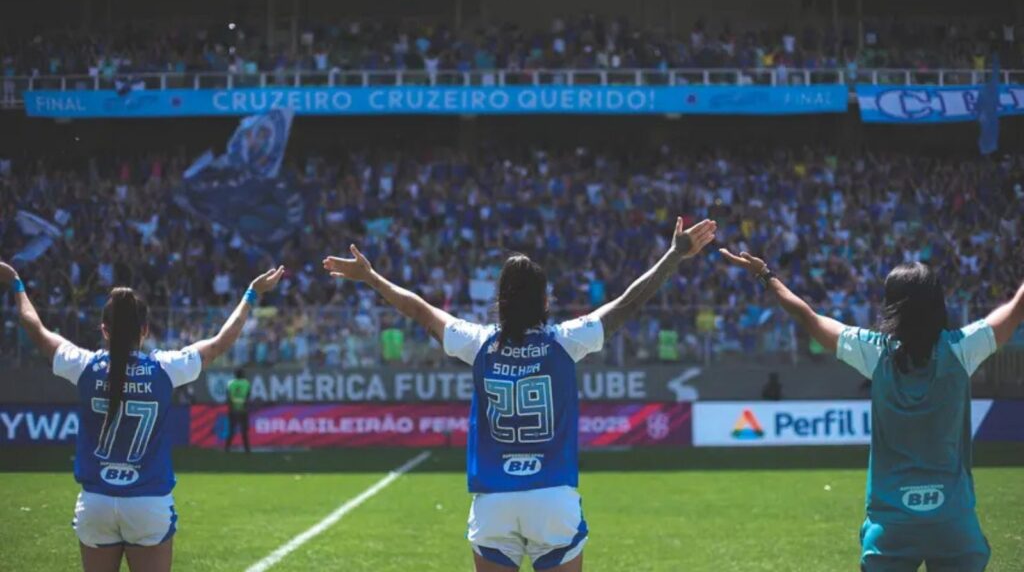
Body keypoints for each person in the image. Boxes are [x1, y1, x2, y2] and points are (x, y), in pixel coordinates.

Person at [324, 217, 717, 572]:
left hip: (494, 500)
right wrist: (673, 256)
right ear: (545, 302)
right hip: (552, 499)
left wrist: (372, 278)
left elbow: (421, 310)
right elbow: (628, 303)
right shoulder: (566, 340)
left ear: (500, 302)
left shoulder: (477, 343)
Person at [719, 250, 1024, 572]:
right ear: (938, 303)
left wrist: (765, 275)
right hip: (953, 520)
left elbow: (808, 316)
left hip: (891, 524)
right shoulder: (963, 349)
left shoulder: (875, 353)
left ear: (892, 304)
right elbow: (1017, 310)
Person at [0, 261, 284, 572]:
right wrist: (251, 293)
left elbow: (35, 328)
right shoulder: (165, 368)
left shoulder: (83, 365)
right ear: (145, 330)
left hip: (95, 502)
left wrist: (16, 283)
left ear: (104, 330)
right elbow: (219, 343)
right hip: (148, 503)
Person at [224, 368, 252, 453]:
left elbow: (228, 397)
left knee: (231, 430)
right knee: (244, 431)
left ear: (235, 375)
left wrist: (231, 408)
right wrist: (246, 407)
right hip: (243, 410)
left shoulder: (230, 383)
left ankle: (227, 448)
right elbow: (248, 396)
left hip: (233, 410)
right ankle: (247, 449)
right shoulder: (246, 383)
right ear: (243, 375)